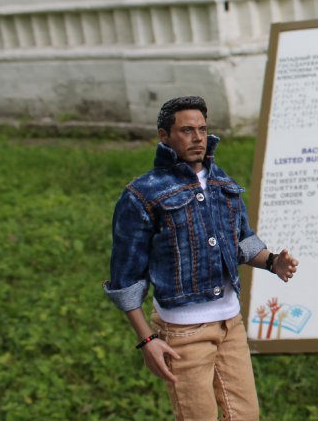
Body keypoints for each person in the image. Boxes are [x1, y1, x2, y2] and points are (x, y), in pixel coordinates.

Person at [104, 96, 298, 420]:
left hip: (230, 324)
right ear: (163, 135)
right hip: (183, 333)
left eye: (202, 129)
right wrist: (147, 340)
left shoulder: (221, 181)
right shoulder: (142, 195)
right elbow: (126, 278)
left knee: (246, 414)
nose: (197, 137)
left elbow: (240, 241)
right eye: (186, 130)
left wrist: (272, 261)